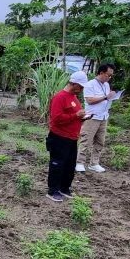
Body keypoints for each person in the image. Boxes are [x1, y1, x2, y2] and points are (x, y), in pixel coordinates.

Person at [46, 71, 89, 202]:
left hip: (72, 137)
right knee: (57, 164)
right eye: (80, 87)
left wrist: (83, 118)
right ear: (74, 84)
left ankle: (64, 187)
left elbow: (74, 117)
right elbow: (57, 118)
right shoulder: (60, 97)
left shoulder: (74, 98)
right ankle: (53, 190)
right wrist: (76, 116)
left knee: (69, 165)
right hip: (59, 136)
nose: (81, 90)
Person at [76, 63, 117, 173]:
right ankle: (79, 162)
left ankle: (94, 163)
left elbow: (106, 98)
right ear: (101, 73)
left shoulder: (106, 85)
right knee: (86, 140)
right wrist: (105, 97)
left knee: (100, 141)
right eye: (108, 75)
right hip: (92, 116)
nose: (109, 77)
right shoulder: (90, 84)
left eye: (111, 76)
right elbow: (89, 100)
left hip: (103, 116)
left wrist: (112, 97)